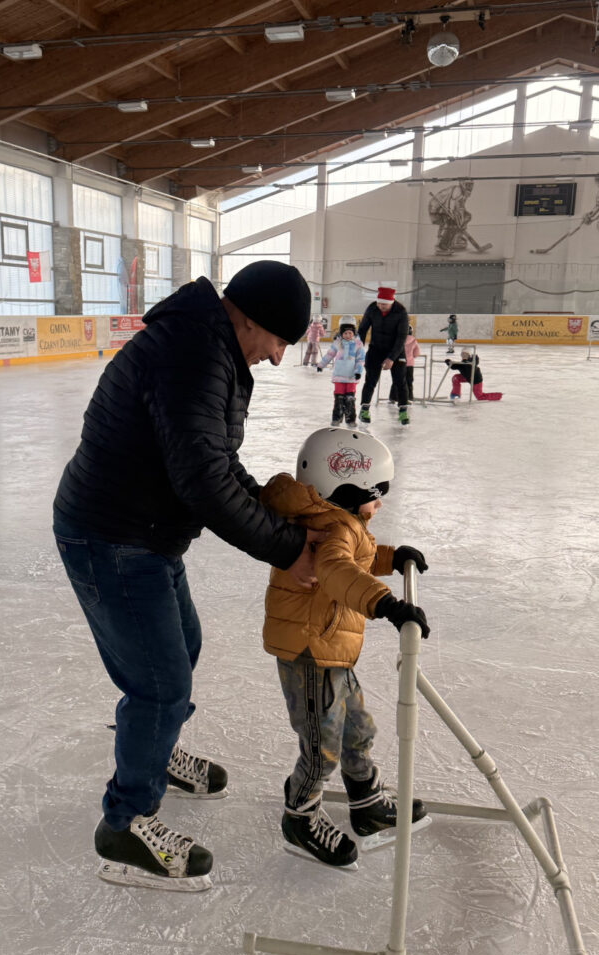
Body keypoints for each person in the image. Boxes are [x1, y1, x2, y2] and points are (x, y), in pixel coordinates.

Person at [53, 260, 323, 892]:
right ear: (250, 318)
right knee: (159, 684)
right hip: (113, 537)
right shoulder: (194, 355)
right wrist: (287, 549)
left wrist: (284, 520)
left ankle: (152, 755)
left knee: (183, 649)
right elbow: (203, 483)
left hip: (143, 535)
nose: (280, 358)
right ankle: (125, 826)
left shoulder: (211, 347)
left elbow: (216, 463)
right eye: (279, 340)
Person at [261, 427, 430, 867]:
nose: (381, 503)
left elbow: (356, 558)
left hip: (328, 650)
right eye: (377, 493)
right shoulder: (335, 528)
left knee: (358, 729)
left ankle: (367, 803)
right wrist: (386, 603)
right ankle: (299, 819)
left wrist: (393, 558)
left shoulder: (334, 522)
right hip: (312, 655)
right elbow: (337, 570)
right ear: (349, 489)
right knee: (322, 750)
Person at [356, 286, 411, 426]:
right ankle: (364, 409)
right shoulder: (372, 308)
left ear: (391, 302)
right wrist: (357, 348)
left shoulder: (401, 312)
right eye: (379, 303)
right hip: (376, 349)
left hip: (396, 350)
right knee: (370, 380)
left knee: (400, 380)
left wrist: (391, 358)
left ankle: (403, 410)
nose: (381, 307)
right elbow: (362, 329)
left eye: (384, 304)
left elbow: (401, 337)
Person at [316, 321, 364, 425]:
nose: (348, 335)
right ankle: (336, 418)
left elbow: (360, 360)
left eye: (350, 333)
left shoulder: (358, 345)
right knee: (338, 398)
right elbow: (329, 355)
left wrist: (358, 371)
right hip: (339, 376)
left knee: (350, 398)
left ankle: (350, 419)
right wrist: (321, 365)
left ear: (354, 333)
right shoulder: (337, 343)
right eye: (345, 333)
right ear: (341, 334)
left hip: (351, 377)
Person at [389, 324, 420, 404]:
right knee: (408, 381)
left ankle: (393, 397)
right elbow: (416, 354)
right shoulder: (414, 341)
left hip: (398, 363)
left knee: (396, 380)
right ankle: (409, 397)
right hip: (409, 364)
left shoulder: (397, 340)